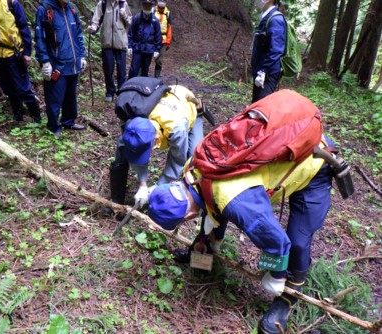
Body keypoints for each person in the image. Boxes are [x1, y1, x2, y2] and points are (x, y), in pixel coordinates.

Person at [147, 98, 341, 333]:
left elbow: (277, 242)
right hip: (275, 162)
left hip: (314, 164)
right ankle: (202, 256)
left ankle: (285, 302)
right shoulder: (192, 167)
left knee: (298, 242)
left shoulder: (236, 203)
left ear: (187, 215)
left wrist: (275, 274)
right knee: (213, 204)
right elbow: (211, 204)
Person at [109, 83, 204, 208]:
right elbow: (134, 150)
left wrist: (158, 186)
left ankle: (188, 197)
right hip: (166, 101)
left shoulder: (177, 129)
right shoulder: (136, 121)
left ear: (156, 138)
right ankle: (116, 201)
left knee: (194, 155)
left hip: (189, 105)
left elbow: (176, 160)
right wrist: (143, 185)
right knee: (122, 154)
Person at [0, 0, 41, 123]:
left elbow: (24, 27)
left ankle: (36, 117)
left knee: (21, 86)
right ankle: (17, 115)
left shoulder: (11, 4)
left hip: (14, 53)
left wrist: (27, 53)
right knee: (7, 87)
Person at [34, 0, 87, 137]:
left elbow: (78, 34)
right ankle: (53, 126)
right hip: (56, 64)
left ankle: (68, 121)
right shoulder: (45, 10)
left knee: (70, 95)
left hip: (73, 62)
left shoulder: (72, 9)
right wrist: (44, 60)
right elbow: (40, 38)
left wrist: (82, 55)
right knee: (54, 97)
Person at [86, 0, 132, 103]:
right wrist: (93, 28)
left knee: (121, 69)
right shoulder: (102, 3)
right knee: (108, 68)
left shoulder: (123, 3)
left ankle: (121, 92)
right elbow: (96, 20)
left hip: (120, 42)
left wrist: (124, 15)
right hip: (106, 41)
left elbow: (130, 22)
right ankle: (110, 92)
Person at [251, 0, 286, 103]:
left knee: (261, 111)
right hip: (261, 72)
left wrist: (263, 71)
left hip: (268, 74)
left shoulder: (276, 19)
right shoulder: (266, 17)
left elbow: (276, 50)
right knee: (256, 107)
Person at [127, 0, 162, 78]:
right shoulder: (137, 18)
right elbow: (131, 33)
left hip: (148, 49)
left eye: (149, 5)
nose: (147, 7)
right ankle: (130, 86)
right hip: (137, 48)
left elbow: (158, 36)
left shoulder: (155, 20)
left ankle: (143, 88)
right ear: (143, 5)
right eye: (145, 5)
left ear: (151, 6)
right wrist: (129, 46)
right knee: (134, 70)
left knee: (145, 70)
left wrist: (157, 49)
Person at [153, 0, 172, 78]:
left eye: (164, 0)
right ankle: (142, 75)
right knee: (146, 57)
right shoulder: (153, 10)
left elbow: (169, 28)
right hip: (152, 39)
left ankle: (156, 77)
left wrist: (168, 41)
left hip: (163, 40)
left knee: (160, 60)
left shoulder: (168, 13)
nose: (162, 1)